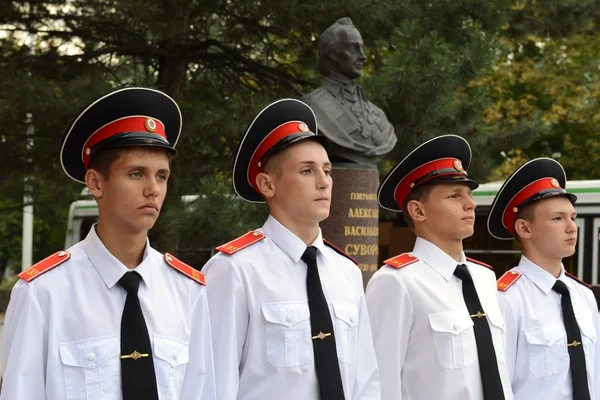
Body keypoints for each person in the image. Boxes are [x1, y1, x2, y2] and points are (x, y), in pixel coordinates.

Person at [0, 87, 216, 399]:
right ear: (96, 183)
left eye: (162, 176)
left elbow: (201, 392)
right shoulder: (43, 293)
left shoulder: (188, 292)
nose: (153, 189)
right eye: (137, 173)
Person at [202, 98, 380, 400]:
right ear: (267, 185)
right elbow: (214, 385)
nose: (324, 182)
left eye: (327, 170)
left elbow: (365, 382)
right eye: (307, 171)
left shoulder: (346, 272)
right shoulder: (235, 269)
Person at [366, 135, 512, 400]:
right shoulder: (397, 282)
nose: (470, 204)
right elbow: (380, 383)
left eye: (469, 195)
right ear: (418, 211)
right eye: (454, 196)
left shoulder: (485, 278)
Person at [488, 157, 600, 400]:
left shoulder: (583, 296)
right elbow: (498, 386)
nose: (572, 227)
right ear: (524, 229)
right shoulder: (505, 299)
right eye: (558, 218)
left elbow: (595, 378)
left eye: (572, 217)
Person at [302, 17, 396, 165]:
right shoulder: (312, 106)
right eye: (353, 48)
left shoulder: (378, 115)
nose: (363, 56)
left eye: (362, 48)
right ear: (333, 54)